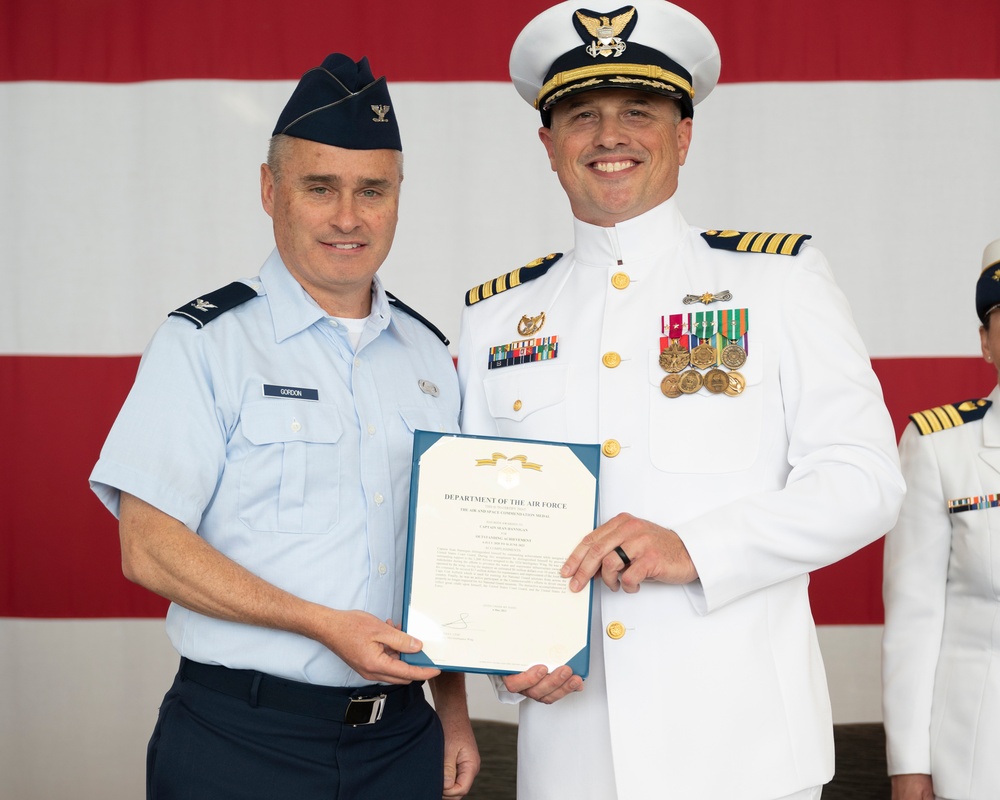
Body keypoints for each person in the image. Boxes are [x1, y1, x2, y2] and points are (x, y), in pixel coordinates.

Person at [457, 2, 905, 798]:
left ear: (684, 135)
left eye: (639, 111)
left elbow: (866, 482)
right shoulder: (493, 318)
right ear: (548, 144)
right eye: (582, 116)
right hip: (573, 754)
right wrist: (505, 657)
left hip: (745, 752)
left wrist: (693, 546)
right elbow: (480, 520)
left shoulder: (777, 280)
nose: (609, 136)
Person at [89, 53, 479, 799]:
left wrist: (452, 713)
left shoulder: (430, 358)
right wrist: (319, 623)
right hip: (240, 739)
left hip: (401, 743)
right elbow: (149, 548)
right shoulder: (206, 342)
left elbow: (445, 552)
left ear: (398, 197)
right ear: (271, 190)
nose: (347, 217)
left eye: (373, 190)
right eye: (319, 187)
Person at [882, 237, 1000, 800]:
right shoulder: (939, 447)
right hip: (981, 750)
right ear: (985, 341)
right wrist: (909, 763)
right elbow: (914, 617)